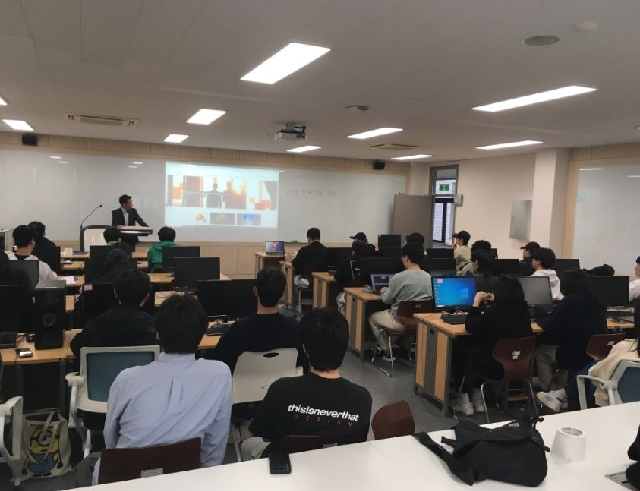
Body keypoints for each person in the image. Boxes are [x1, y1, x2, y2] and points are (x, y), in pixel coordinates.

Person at [94, 295, 232, 484]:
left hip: (124, 479)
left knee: (96, 466)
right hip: (186, 479)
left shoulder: (127, 379)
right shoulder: (220, 374)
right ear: (203, 334)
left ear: (157, 334)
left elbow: (110, 439)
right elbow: (216, 441)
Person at [240, 308, 372, 460]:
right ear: (344, 344)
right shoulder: (363, 398)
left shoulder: (282, 390)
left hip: (286, 468)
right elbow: (356, 445)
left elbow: (264, 436)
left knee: (247, 444)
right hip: (337, 466)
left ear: (304, 348)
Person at [453, 276, 532, 416]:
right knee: (481, 347)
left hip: (494, 368)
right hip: (520, 365)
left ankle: (464, 399)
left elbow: (471, 326)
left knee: (461, 347)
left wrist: (475, 304)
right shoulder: (524, 311)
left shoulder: (494, 313)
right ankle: (478, 397)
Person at [211, 269, 307, 373]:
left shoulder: (238, 329)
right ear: (282, 295)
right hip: (284, 382)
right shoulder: (294, 327)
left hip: (243, 383)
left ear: (255, 291)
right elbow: (301, 363)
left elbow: (219, 359)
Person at [534, 269, 607, 391]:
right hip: (595, 354)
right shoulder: (597, 301)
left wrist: (539, 314)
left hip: (575, 355)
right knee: (563, 346)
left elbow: (550, 326)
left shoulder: (569, 301)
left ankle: (549, 392)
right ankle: (560, 389)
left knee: (541, 351)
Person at [537, 332, 640, 412]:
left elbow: (596, 372)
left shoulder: (624, 348)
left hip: (611, 399)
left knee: (597, 364)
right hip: (634, 408)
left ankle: (561, 394)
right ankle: (561, 395)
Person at [70, 269, 156, 358]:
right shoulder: (152, 326)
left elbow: (76, 346)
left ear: (115, 293)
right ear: (147, 296)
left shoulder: (97, 324)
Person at [369, 242, 432, 356]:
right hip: (419, 322)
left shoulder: (399, 277)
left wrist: (383, 292)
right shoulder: (429, 277)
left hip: (399, 321)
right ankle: (401, 348)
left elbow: (386, 300)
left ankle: (386, 350)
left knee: (373, 318)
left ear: (406, 258)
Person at [335, 240, 371, 314]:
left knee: (339, 298)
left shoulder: (348, 262)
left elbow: (337, 277)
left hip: (348, 294)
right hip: (368, 294)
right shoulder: (371, 262)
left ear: (353, 251)